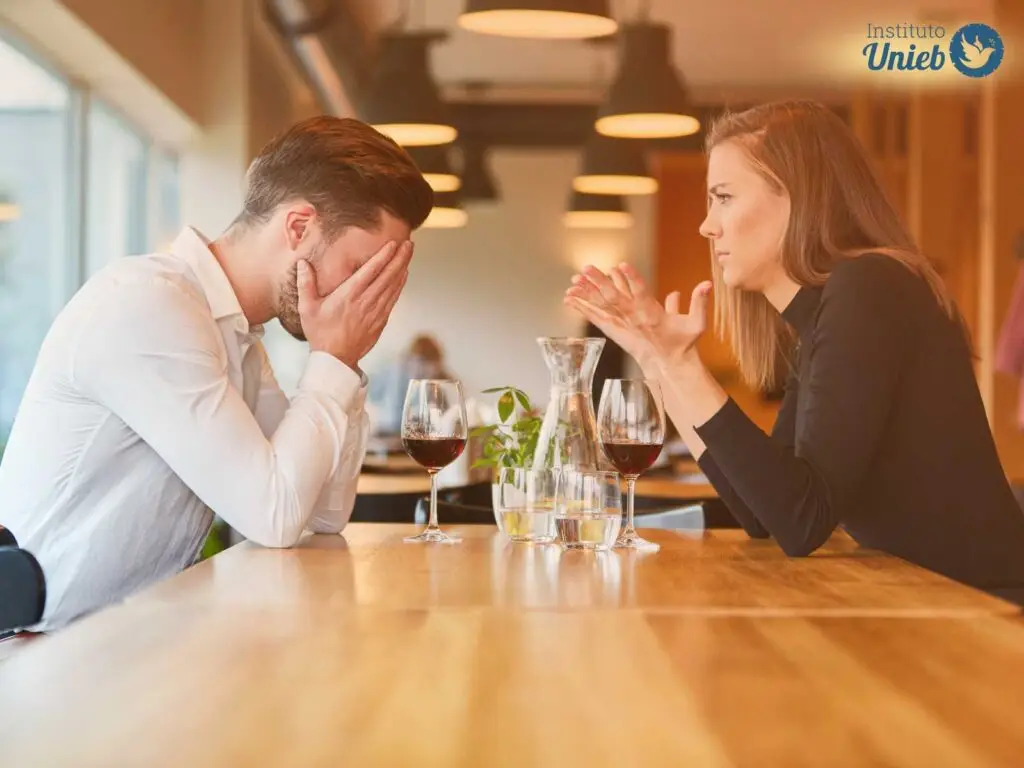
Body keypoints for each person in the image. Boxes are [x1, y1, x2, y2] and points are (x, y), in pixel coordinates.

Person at [565, 100, 1024, 599]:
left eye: (724, 197)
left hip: (986, 615)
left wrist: (680, 364)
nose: (707, 225)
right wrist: (659, 362)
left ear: (797, 197)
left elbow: (803, 521)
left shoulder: (868, 287)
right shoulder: (830, 312)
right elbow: (764, 513)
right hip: (931, 602)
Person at [0, 116, 433, 631]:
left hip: (130, 648)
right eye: (361, 269)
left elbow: (321, 513)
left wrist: (347, 364)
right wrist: (334, 359)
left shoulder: (234, 335)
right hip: (43, 660)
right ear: (299, 227)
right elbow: (273, 515)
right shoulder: (150, 306)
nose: (364, 294)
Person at [368, 334, 452, 435]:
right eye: (421, 362)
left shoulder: (438, 382)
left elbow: (444, 419)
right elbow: (395, 419)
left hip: (412, 435)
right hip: (389, 432)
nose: (426, 371)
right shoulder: (395, 372)